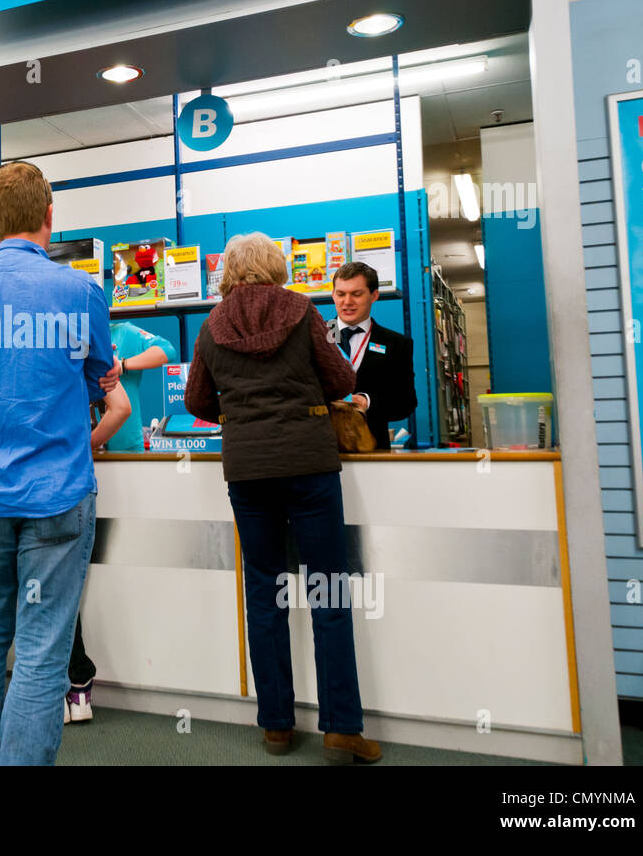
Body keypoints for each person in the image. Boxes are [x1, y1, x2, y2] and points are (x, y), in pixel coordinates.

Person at [0, 160, 120, 765]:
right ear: (50, 216)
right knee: (43, 654)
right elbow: (103, 373)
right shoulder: (81, 292)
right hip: (58, 496)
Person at [185, 233, 381, 764]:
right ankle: (341, 726)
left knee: (265, 592)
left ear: (229, 270)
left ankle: (275, 725)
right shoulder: (301, 310)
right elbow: (341, 379)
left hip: (248, 469)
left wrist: (241, 402)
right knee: (328, 591)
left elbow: (197, 399)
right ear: (275, 265)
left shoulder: (212, 324)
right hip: (308, 462)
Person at [63, 382, 131, 725]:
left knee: (36, 593)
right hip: (71, 484)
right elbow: (120, 407)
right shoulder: (80, 345)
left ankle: (61, 686)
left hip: (18, 488)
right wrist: (84, 445)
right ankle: (76, 683)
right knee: (61, 592)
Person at [331, 261, 417, 449]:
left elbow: (406, 402)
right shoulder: (315, 337)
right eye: (341, 294)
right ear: (333, 295)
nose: (347, 302)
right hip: (322, 451)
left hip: (372, 450)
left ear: (374, 295)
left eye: (356, 294)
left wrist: (367, 401)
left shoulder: (396, 344)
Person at [104, 320, 178, 452]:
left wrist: (122, 365)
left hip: (126, 448)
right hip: (80, 448)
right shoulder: (69, 340)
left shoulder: (123, 332)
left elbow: (167, 350)